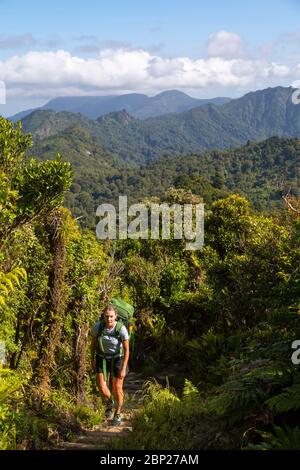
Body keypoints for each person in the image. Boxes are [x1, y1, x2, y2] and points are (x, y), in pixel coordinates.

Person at [90, 304, 129, 426]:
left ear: (116, 316)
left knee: (117, 387)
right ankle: (110, 402)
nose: (109, 319)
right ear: (103, 316)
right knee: (102, 387)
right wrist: (92, 360)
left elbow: (127, 350)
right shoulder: (98, 327)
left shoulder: (121, 329)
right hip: (101, 357)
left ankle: (117, 413)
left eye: (111, 317)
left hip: (118, 358)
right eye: (107, 316)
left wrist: (123, 368)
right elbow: (93, 345)